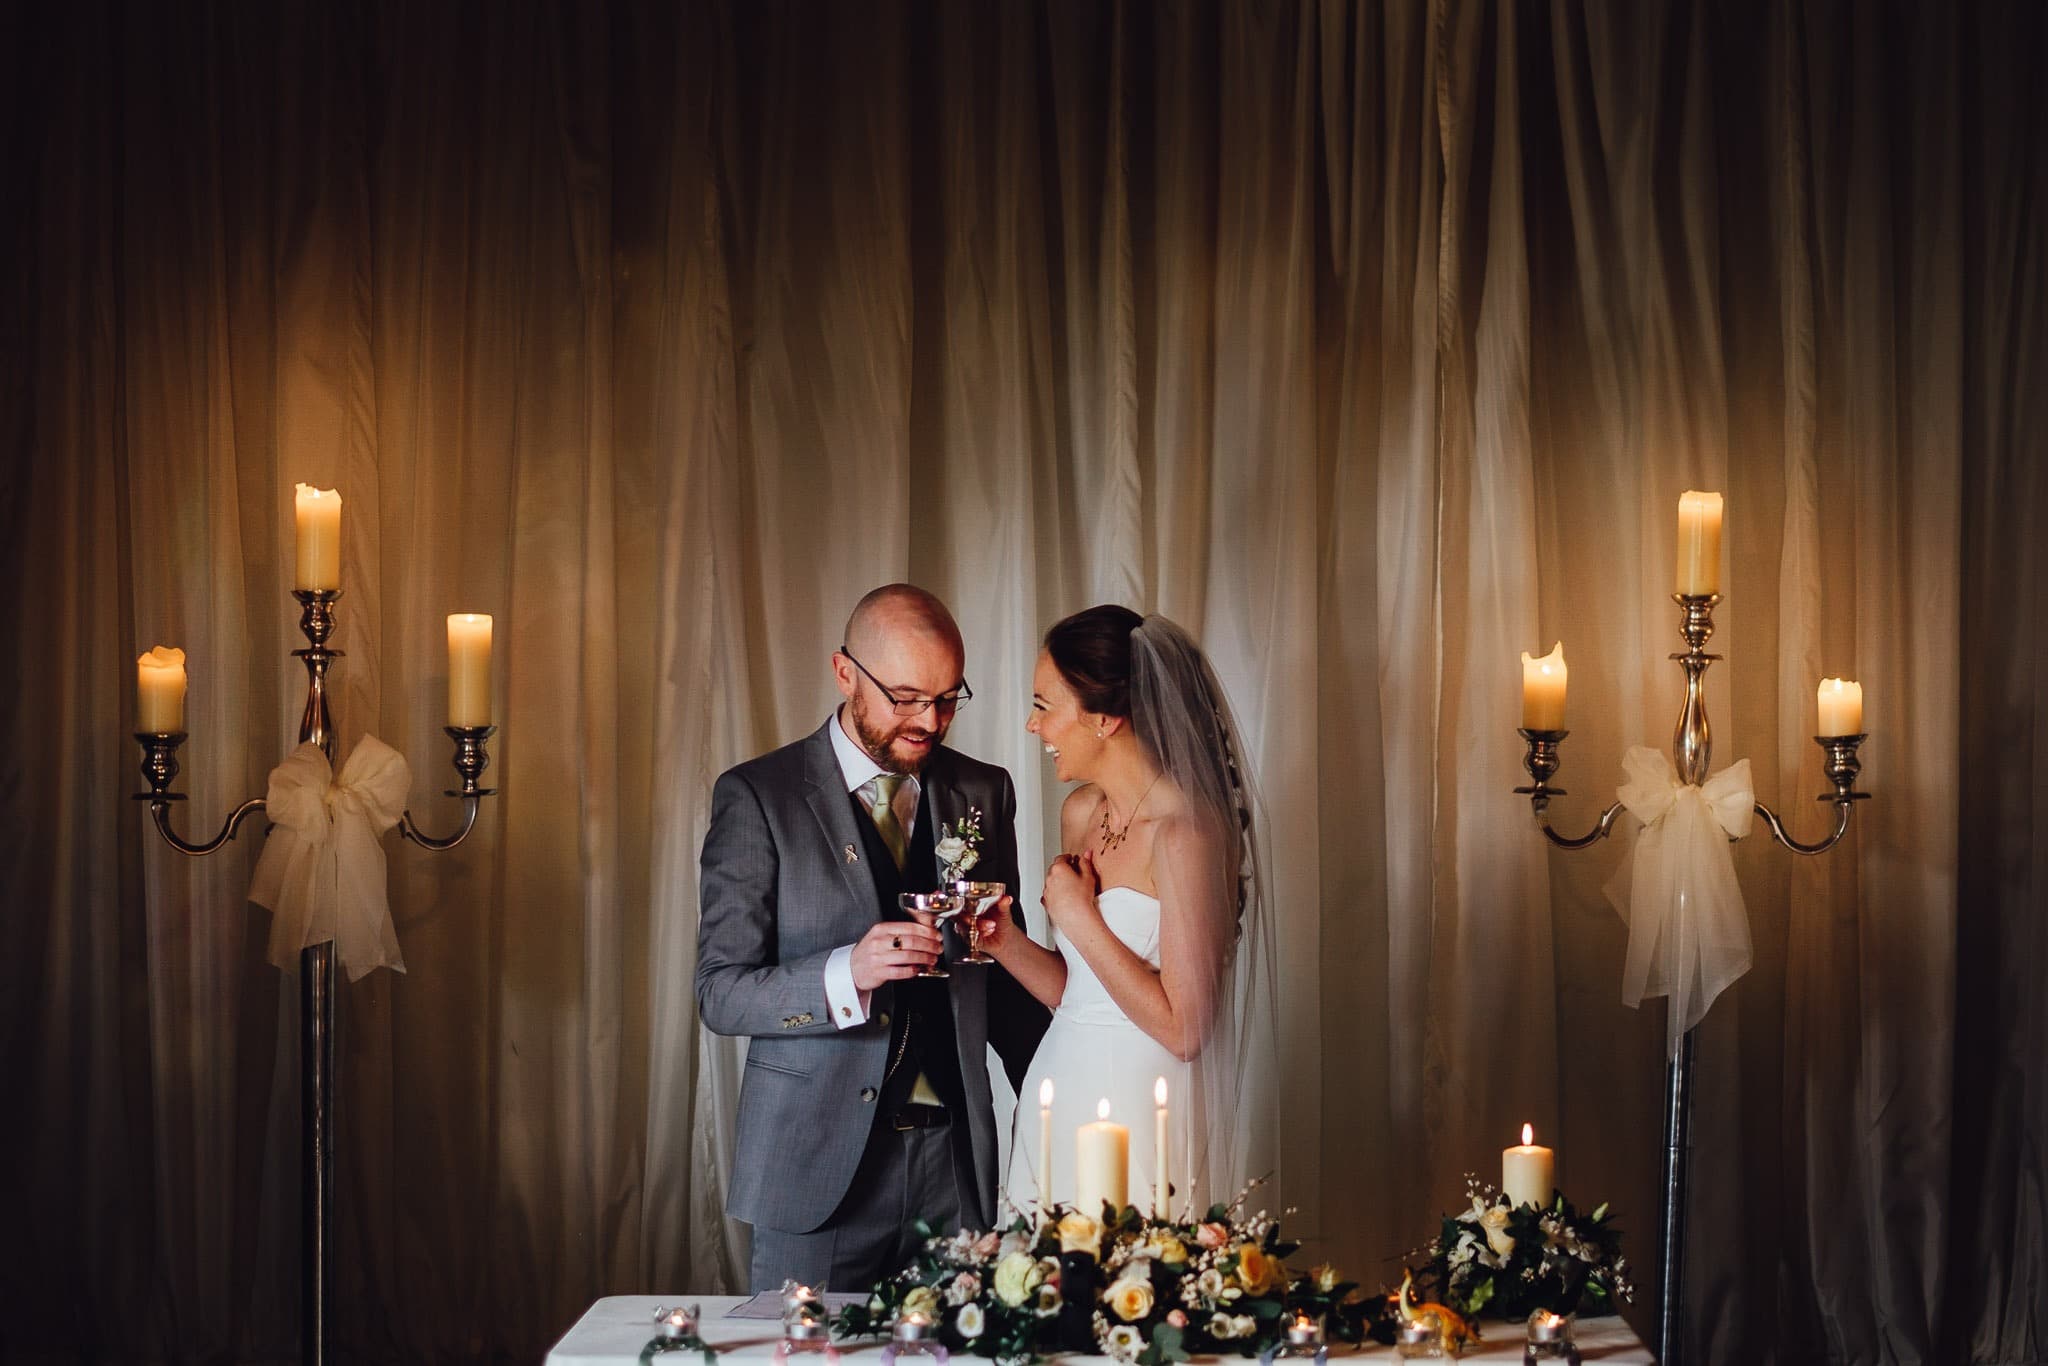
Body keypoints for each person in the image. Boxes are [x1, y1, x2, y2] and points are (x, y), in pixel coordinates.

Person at [696, 585, 1050, 1293]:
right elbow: (721, 994)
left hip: (956, 1166)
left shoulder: (986, 791)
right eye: (907, 697)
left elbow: (1005, 989)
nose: (930, 721)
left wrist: (1069, 1085)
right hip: (816, 1168)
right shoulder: (758, 796)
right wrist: (845, 973)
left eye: (949, 698)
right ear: (844, 672)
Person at [980, 605, 1274, 1219]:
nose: (1034, 727)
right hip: (1056, 1091)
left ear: (1104, 719)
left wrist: (1077, 915)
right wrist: (1001, 940)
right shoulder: (1082, 815)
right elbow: (1077, 992)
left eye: (1044, 704)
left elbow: (1185, 1029)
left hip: (1141, 1101)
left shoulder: (1186, 834)